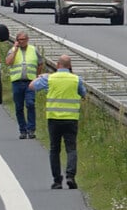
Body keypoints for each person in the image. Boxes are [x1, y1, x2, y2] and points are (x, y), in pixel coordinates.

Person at [29, 55, 86, 190]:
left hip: (54, 118)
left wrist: (41, 76)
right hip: (71, 118)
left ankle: (57, 180)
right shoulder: (76, 79)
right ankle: (70, 176)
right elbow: (83, 93)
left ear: (57, 65)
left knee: (55, 149)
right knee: (71, 148)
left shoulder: (50, 78)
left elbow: (31, 86)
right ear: (70, 66)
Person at [6, 31, 44, 139]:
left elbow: (40, 63)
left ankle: (31, 129)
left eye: (23, 40)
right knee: (19, 107)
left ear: (27, 40)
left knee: (30, 104)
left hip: (30, 83)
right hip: (17, 82)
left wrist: (37, 76)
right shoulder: (13, 50)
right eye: (19, 40)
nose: (21, 42)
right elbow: (8, 62)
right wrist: (15, 50)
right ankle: (22, 130)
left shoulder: (33, 50)